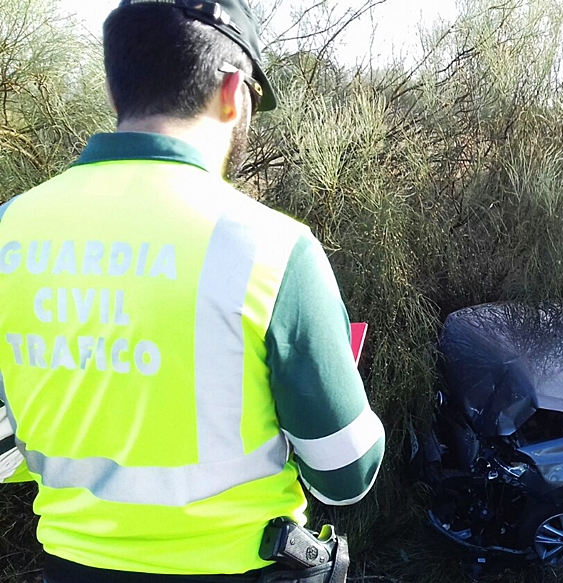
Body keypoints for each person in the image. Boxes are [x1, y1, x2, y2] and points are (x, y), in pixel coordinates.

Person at [0, 1, 385, 581]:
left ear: (115, 91)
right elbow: (347, 471)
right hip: (242, 568)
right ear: (233, 91)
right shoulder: (273, 248)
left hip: (71, 565)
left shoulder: (9, 227)